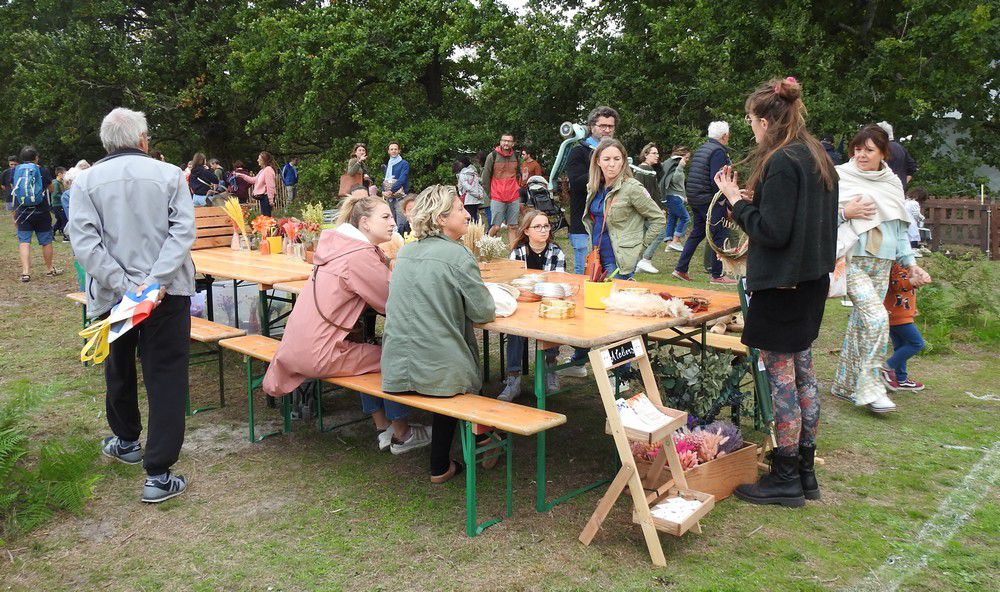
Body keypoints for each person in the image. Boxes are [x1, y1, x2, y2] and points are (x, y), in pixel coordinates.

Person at [712, 77, 837, 507]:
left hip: (784, 287)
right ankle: (805, 473)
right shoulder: (815, 152)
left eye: (750, 120)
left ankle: (785, 477)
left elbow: (773, 231)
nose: (750, 127)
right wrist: (754, 200)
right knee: (804, 377)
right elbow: (794, 218)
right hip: (810, 283)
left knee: (782, 383)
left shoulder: (783, 160)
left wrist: (735, 200)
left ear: (764, 119)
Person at [69, 107, 196, 503]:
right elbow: (183, 232)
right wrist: (151, 284)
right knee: (166, 375)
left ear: (106, 143)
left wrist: (127, 286)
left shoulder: (85, 181)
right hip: (166, 293)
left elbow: (84, 242)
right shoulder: (170, 174)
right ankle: (158, 473)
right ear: (143, 141)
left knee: (118, 366)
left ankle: (126, 439)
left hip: (114, 294)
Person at [261, 194, 428, 451]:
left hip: (293, 348)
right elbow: (394, 302)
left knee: (367, 348)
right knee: (393, 358)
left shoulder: (338, 246)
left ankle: (384, 428)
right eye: (385, 217)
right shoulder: (358, 255)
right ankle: (402, 435)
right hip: (318, 354)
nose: (393, 223)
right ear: (364, 222)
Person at [380, 185, 496, 483]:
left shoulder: (406, 252)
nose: (467, 214)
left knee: (444, 359)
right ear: (442, 218)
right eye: (460, 209)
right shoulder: (458, 255)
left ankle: (477, 442)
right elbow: (483, 312)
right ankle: (448, 460)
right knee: (452, 370)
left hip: (396, 367)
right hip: (438, 372)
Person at [832, 124, 931, 414]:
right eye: (857, 149)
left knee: (861, 324)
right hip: (852, 261)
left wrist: (911, 265)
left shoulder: (892, 184)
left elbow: (900, 230)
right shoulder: (841, 176)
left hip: (883, 264)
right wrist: (844, 212)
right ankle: (872, 387)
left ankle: (845, 384)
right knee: (876, 320)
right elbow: (821, 218)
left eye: (869, 150)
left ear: (883, 153)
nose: (861, 155)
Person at [498, 209, 566, 402]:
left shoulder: (556, 251)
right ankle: (513, 379)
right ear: (526, 231)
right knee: (515, 330)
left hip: (547, 302)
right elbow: (514, 284)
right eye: (538, 226)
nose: (543, 230)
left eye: (546, 226)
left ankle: (550, 369)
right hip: (523, 303)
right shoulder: (518, 252)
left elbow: (557, 284)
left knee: (553, 322)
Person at [582, 138, 666, 281]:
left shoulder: (632, 187)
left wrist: (641, 247)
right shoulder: (594, 187)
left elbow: (658, 219)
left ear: (623, 162)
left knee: (614, 301)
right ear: (598, 161)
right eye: (607, 159)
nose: (612, 164)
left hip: (618, 261)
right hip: (596, 256)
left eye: (617, 159)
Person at [672, 121, 737, 285]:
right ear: (724, 136)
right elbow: (717, 180)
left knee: (698, 232)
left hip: (695, 197)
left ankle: (681, 268)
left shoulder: (702, 148)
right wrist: (726, 203)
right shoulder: (718, 152)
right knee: (720, 233)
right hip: (709, 199)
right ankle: (717, 275)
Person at [567, 107, 618, 276]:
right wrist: (603, 172)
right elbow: (576, 184)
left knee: (610, 274)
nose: (607, 130)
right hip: (583, 224)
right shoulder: (579, 151)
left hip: (610, 225)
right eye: (603, 125)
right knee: (585, 274)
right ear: (592, 126)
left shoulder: (616, 153)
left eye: (611, 126)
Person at [11, 146, 60, 282]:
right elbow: (51, 188)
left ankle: (26, 272)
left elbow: (14, 187)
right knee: (46, 241)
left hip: (22, 211)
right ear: (36, 157)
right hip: (41, 210)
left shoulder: (16, 170)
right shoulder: (42, 170)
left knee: (24, 241)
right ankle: (50, 269)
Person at [880, 263, 928, 392]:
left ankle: (901, 379)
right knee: (917, 343)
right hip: (898, 316)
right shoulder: (897, 266)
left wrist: (912, 309)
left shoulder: (908, 267)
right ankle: (887, 367)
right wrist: (912, 281)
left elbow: (906, 292)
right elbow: (897, 285)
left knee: (901, 346)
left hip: (899, 314)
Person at [481, 132, 521, 244]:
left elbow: (518, 174)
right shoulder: (492, 156)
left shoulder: (516, 156)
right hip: (497, 196)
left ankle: (513, 256)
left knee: (513, 226)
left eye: (509, 141)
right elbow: (485, 178)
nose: (506, 143)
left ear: (513, 143)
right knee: (496, 227)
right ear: (500, 142)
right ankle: (485, 247)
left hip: (513, 196)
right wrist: (491, 194)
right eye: (504, 140)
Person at [634, 142, 665, 274]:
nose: (657, 156)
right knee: (660, 233)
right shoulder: (644, 170)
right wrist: (658, 209)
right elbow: (648, 193)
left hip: (646, 209)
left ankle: (635, 264)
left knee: (642, 237)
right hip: (647, 210)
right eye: (653, 153)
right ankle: (645, 260)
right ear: (645, 154)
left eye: (657, 153)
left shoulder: (648, 169)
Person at [661, 146, 691, 252]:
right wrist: (680, 167)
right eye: (686, 157)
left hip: (671, 197)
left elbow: (677, 184)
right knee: (685, 218)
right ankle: (676, 241)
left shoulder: (670, 164)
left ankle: (669, 244)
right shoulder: (676, 165)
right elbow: (674, 179)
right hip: (674, 197)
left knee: (672, 219)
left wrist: (684, 195)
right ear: (681, 156)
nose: (687, 160)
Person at [232, 152, 278, 216]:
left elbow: (270, 186)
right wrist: (240, 175)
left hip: (266, 198)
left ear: (264, 160)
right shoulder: (263, 170)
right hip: (264, 198)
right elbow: (253, 180)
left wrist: (270, 200)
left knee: (266, 218)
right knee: (265, 217)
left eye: (259, 159)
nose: (257, 160)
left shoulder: (268, 170)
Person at [877, 121, 918, 192]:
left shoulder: (880, 149)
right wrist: (903, 182)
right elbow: (912, 167)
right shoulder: (901, 148)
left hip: (883, 189)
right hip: (899, 189)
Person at [381, 142, 410, 227]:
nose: (393, 151)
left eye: (395, 149)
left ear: (399, 151)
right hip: (390, 197)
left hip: (400, 196)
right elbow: (386, 180)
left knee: (401, 222)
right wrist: (383, 191)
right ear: (388, 151)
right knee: (391, 222)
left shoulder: (404, 163)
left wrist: (391, 190)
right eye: (391, 149)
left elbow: (402, 178)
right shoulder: (388, 165)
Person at [455, 154, 485, 222]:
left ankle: (472, 231)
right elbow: (478, 185)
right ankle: (476, 230)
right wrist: (479, 194)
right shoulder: (472, 172)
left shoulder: (462, 174)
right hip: (475, 198)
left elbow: (467, 187)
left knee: (470, 217)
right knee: (474, 215)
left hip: (468, 199)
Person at [50, 167, 68, 241]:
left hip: (60, 204)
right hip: (57, 205)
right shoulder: (55, 183)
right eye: (65, 174)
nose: (66, 176)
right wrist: (65, 196)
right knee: (64, 220)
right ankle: (65, 237)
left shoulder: (61, 183)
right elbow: (55, 195)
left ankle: (51, 233)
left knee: (60, 221)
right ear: (59, 174)